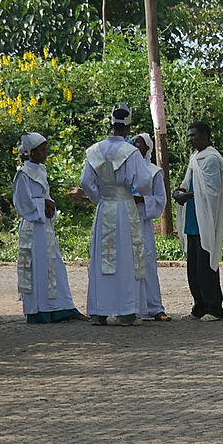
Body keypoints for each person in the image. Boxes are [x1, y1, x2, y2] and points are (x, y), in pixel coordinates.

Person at [80, 104, 156, 326]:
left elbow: (85, 181)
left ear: (110, 124)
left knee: (103, 258)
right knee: (124, 258)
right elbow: (143, 182)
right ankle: (126, 311)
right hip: (123, 206)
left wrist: (99, 197)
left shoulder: (95, 150)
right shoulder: (130, 152)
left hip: (105, 207)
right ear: (128, 126)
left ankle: (98, 311)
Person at [13, 133, 88, 324]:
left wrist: (50, 205)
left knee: (54, 266)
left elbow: (46, 195)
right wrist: (42, 206)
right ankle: (40, 311)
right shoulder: (23, 174)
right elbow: (22, 202)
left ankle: (61, 307)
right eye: (42, 150)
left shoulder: (42, 170)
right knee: (37, 267)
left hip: (45, 227)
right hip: (33, 227)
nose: (45, 153)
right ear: (31, 152)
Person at [172, 121, 223, 322]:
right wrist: (179, 192)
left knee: (206, 266)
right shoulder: (194, 158)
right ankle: (199, 306)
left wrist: (188, 196)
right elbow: (187, 183)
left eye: (194, 135)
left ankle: (214, 308)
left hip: (205, 218)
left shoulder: (212, 159)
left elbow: (213, 192)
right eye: (189, 135)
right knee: (194, 266)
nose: (190, 139)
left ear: (205, 135)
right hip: (192, 218)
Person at [131, 133, 171, 322]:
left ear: (148, 146)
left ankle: (154, 307)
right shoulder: (126, 168)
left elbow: (160, 199)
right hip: (125, 219)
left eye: (139, 141)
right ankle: (132, 307)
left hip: (142, 219)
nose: (135, 144)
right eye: (133, 141)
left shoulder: (154, 171)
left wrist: (142, 200)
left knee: (146, 261)